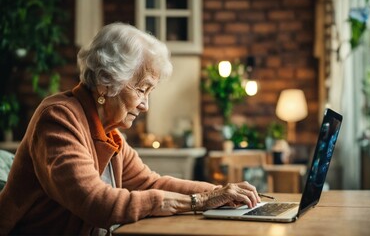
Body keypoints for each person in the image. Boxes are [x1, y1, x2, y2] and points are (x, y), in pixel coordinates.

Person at [0, 22, 261, 235]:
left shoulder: (108, 133)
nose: (146, 105)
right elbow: (97, 203)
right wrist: (200, 202)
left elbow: (150, 183)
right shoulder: (58, 119)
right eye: (141, 89)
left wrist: (220, 193)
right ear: (105, 83)